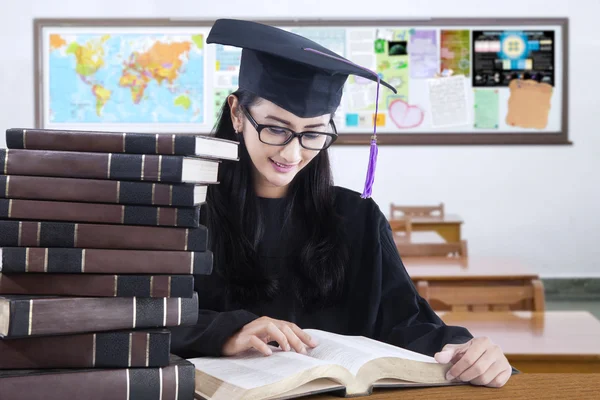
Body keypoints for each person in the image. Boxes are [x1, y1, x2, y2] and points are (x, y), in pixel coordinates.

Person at [170, 18, 513, 388]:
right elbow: (133, 321)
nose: (293, 151)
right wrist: (225, 332)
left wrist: (467, 351)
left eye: (313, 133)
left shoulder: (356, 218)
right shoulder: (181, 211)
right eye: (275, 127)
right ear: (237, 113)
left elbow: (407, 324)